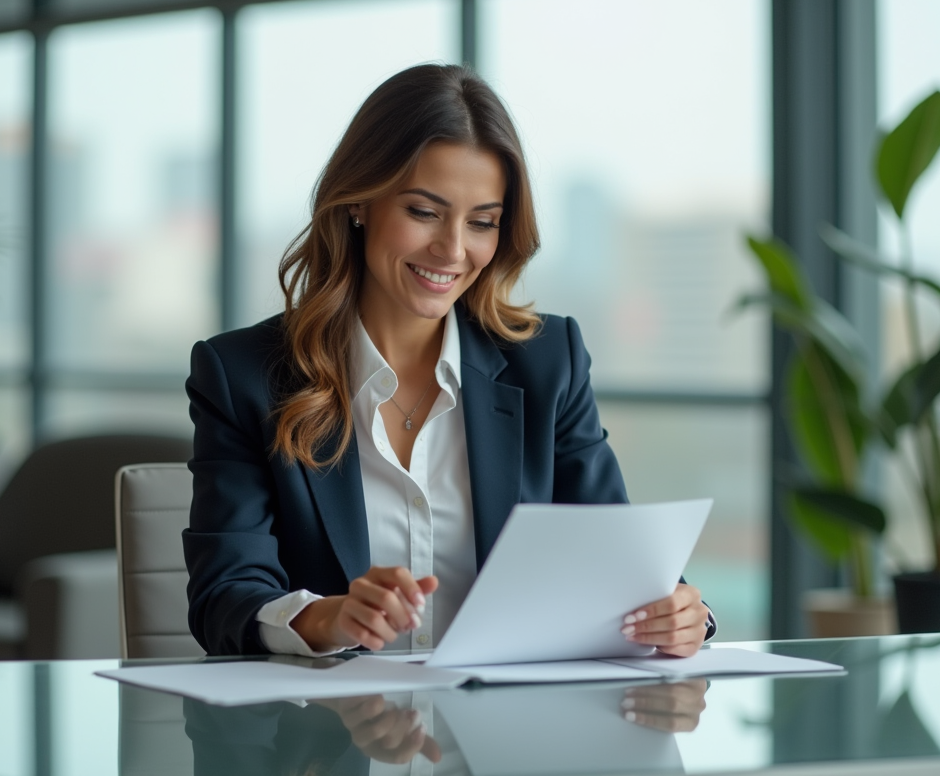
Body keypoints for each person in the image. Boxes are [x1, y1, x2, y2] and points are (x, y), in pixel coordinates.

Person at [184, 63, 713, 659]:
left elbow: (623, 567)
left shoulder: (548, 365)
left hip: (505, 740)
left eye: (482, 222)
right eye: (424, 212)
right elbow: (223, 597)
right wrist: (327, 619)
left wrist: (682, 613)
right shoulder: (243, 376)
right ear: (359, 202)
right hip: (324, 739)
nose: (453, 250)